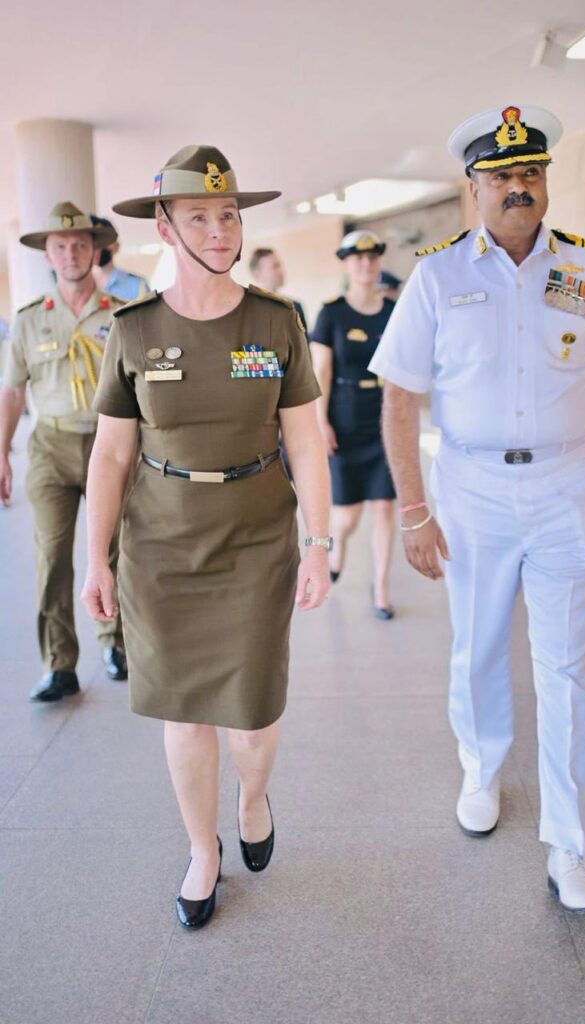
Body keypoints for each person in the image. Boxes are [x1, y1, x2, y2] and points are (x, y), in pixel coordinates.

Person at [369, 105, 585, 915]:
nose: (518, 188)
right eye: (502, 177)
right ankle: (482, 768)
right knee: (480, 646)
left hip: (565, 484)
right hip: (474, 490)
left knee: (567, 668)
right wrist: (414, 511)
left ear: (545, 181)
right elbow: (398, 399)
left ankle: (571, 847)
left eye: (531, 173)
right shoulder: (438, 275)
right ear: (475, 188)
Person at [81, 145, 331, 930]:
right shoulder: (134, 330)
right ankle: (201, 849)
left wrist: (319, 542)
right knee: (184, 713)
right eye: (200, 218)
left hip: (257, 538)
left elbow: (305, 440)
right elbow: (110, 455)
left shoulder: (276, 321)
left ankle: (252, 801)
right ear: (165, 227)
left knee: (252, 719)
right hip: (161, 545)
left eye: (228, 215)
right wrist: (96, 559)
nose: (220, 230)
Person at [0, 202, 128, 701]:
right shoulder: (30, 320)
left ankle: (116, 644)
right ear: (48, 256)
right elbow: (13, 391)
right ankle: (59, 665)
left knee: (114, 550)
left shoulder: (122, 315)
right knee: (52, 557)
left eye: (80, 244)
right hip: (50, 448)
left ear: (96, 251)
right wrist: (2, 453)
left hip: (109, 446)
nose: (71, 254)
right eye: (60, 246)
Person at [309, 230, 397, 619]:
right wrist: (320, 421)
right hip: (344, 415)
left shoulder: (394, 311)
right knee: (348, 515)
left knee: (384, 507)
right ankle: (337, 547)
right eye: (357, 258)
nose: (366, 263)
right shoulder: (331, 312)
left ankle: (381, 588)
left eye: (372, 257)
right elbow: (321, 371)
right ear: (346, 263)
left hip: (384, 414)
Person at [90, 216, 151, 301]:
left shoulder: (136, 285)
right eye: (94, 242)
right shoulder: (79, 284)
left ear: (116, 245)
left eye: (104, 242)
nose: (98, 248)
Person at [249, 246, 307, 332]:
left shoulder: (295, 307)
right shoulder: (245, 311)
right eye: (275, 266)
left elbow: (303, 340)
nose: (282, 271)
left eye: (279, 265)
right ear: (258, 274)